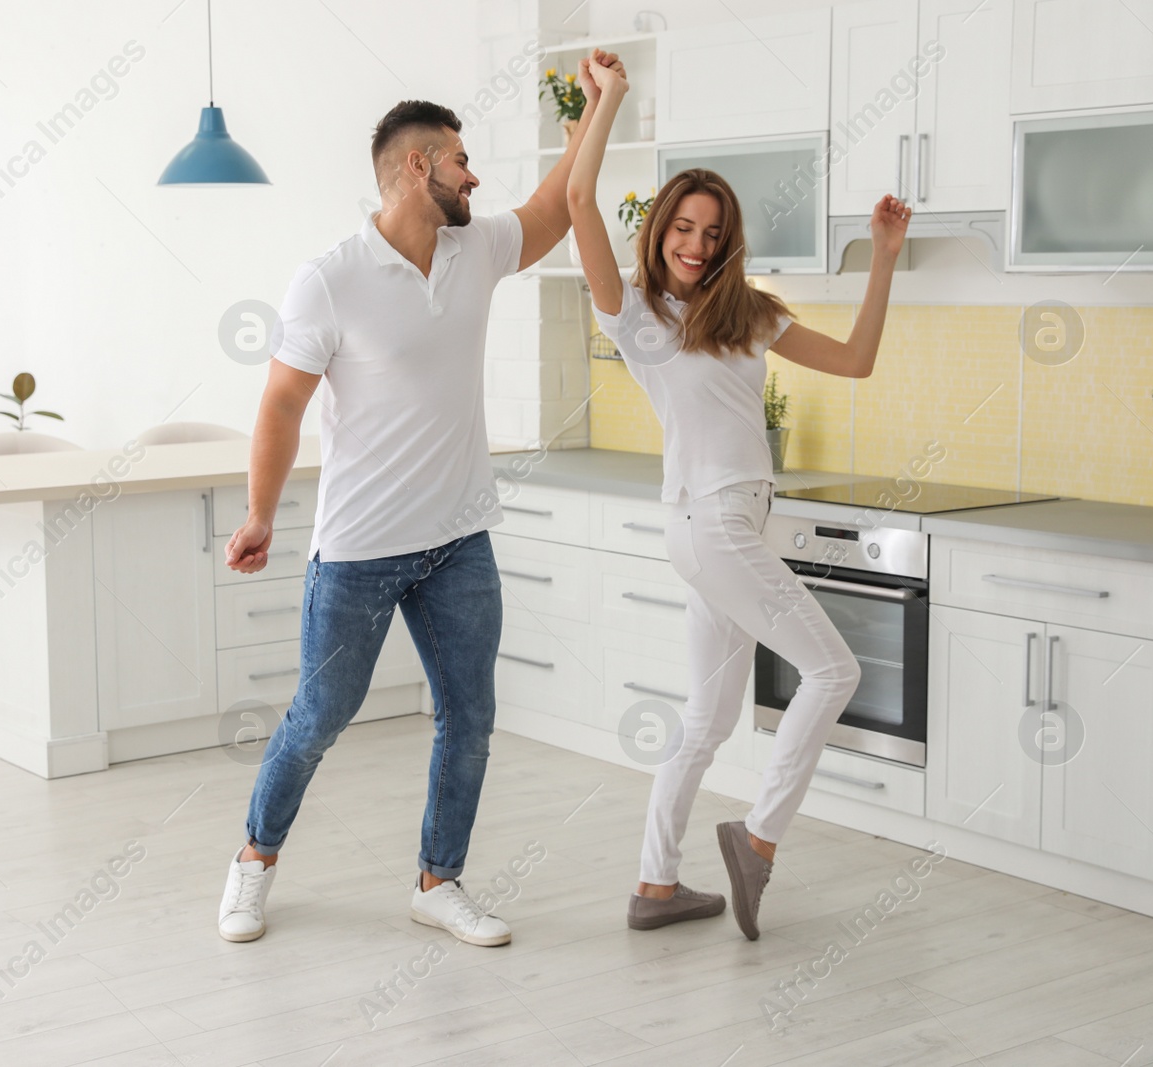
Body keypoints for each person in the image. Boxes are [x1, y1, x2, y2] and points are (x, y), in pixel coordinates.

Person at [216, 53, 625, 946]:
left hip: (459, 539)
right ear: (416, 166)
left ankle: (439, 880)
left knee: (470, 718)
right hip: (359, 548)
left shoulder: (474, 248)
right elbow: (281, 404)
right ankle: (253, 861)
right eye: (460, 160)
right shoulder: (329, 279)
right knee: (319, 717)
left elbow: (559, 207)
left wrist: (602, 108)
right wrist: (260, 514)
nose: (474, 174)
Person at [566, 56, 911, 939]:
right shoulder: (640, 318)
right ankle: (757, 842)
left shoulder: (748, 313)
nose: (696, 243)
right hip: (712, 523)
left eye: (712, 232)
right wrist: (609, 100)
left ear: (728, 242)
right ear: (661, 233)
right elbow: (578, 205)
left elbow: (857, 360)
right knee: (836, 670)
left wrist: (884, 261)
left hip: (718, 526)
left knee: (706, 721)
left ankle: (655, 884)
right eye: (683, 226)